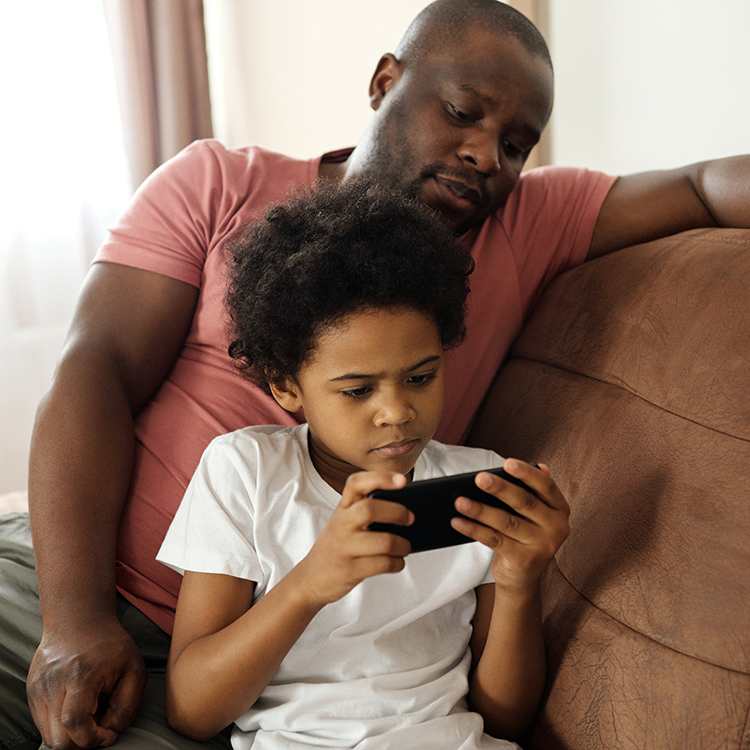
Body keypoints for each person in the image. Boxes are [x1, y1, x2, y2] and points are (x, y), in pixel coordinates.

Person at [0, 0, 747, 748]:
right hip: (82, 582)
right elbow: (92, 372)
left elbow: (700, 188)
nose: (488, 156)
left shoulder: (526, 223)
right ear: (386, 80)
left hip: (276, 668)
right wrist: (76, 619)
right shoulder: (215, 183)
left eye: (518, 145)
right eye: (462, 113)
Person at [157, 178, 569, 750]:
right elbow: (191, 710)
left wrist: (521, 583)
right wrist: (309, 583)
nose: (398, 412)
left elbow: (505, 721)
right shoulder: (245, 471)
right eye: (356, 390)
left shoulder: (480, 487)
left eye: (421, 377)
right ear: (286, 385)